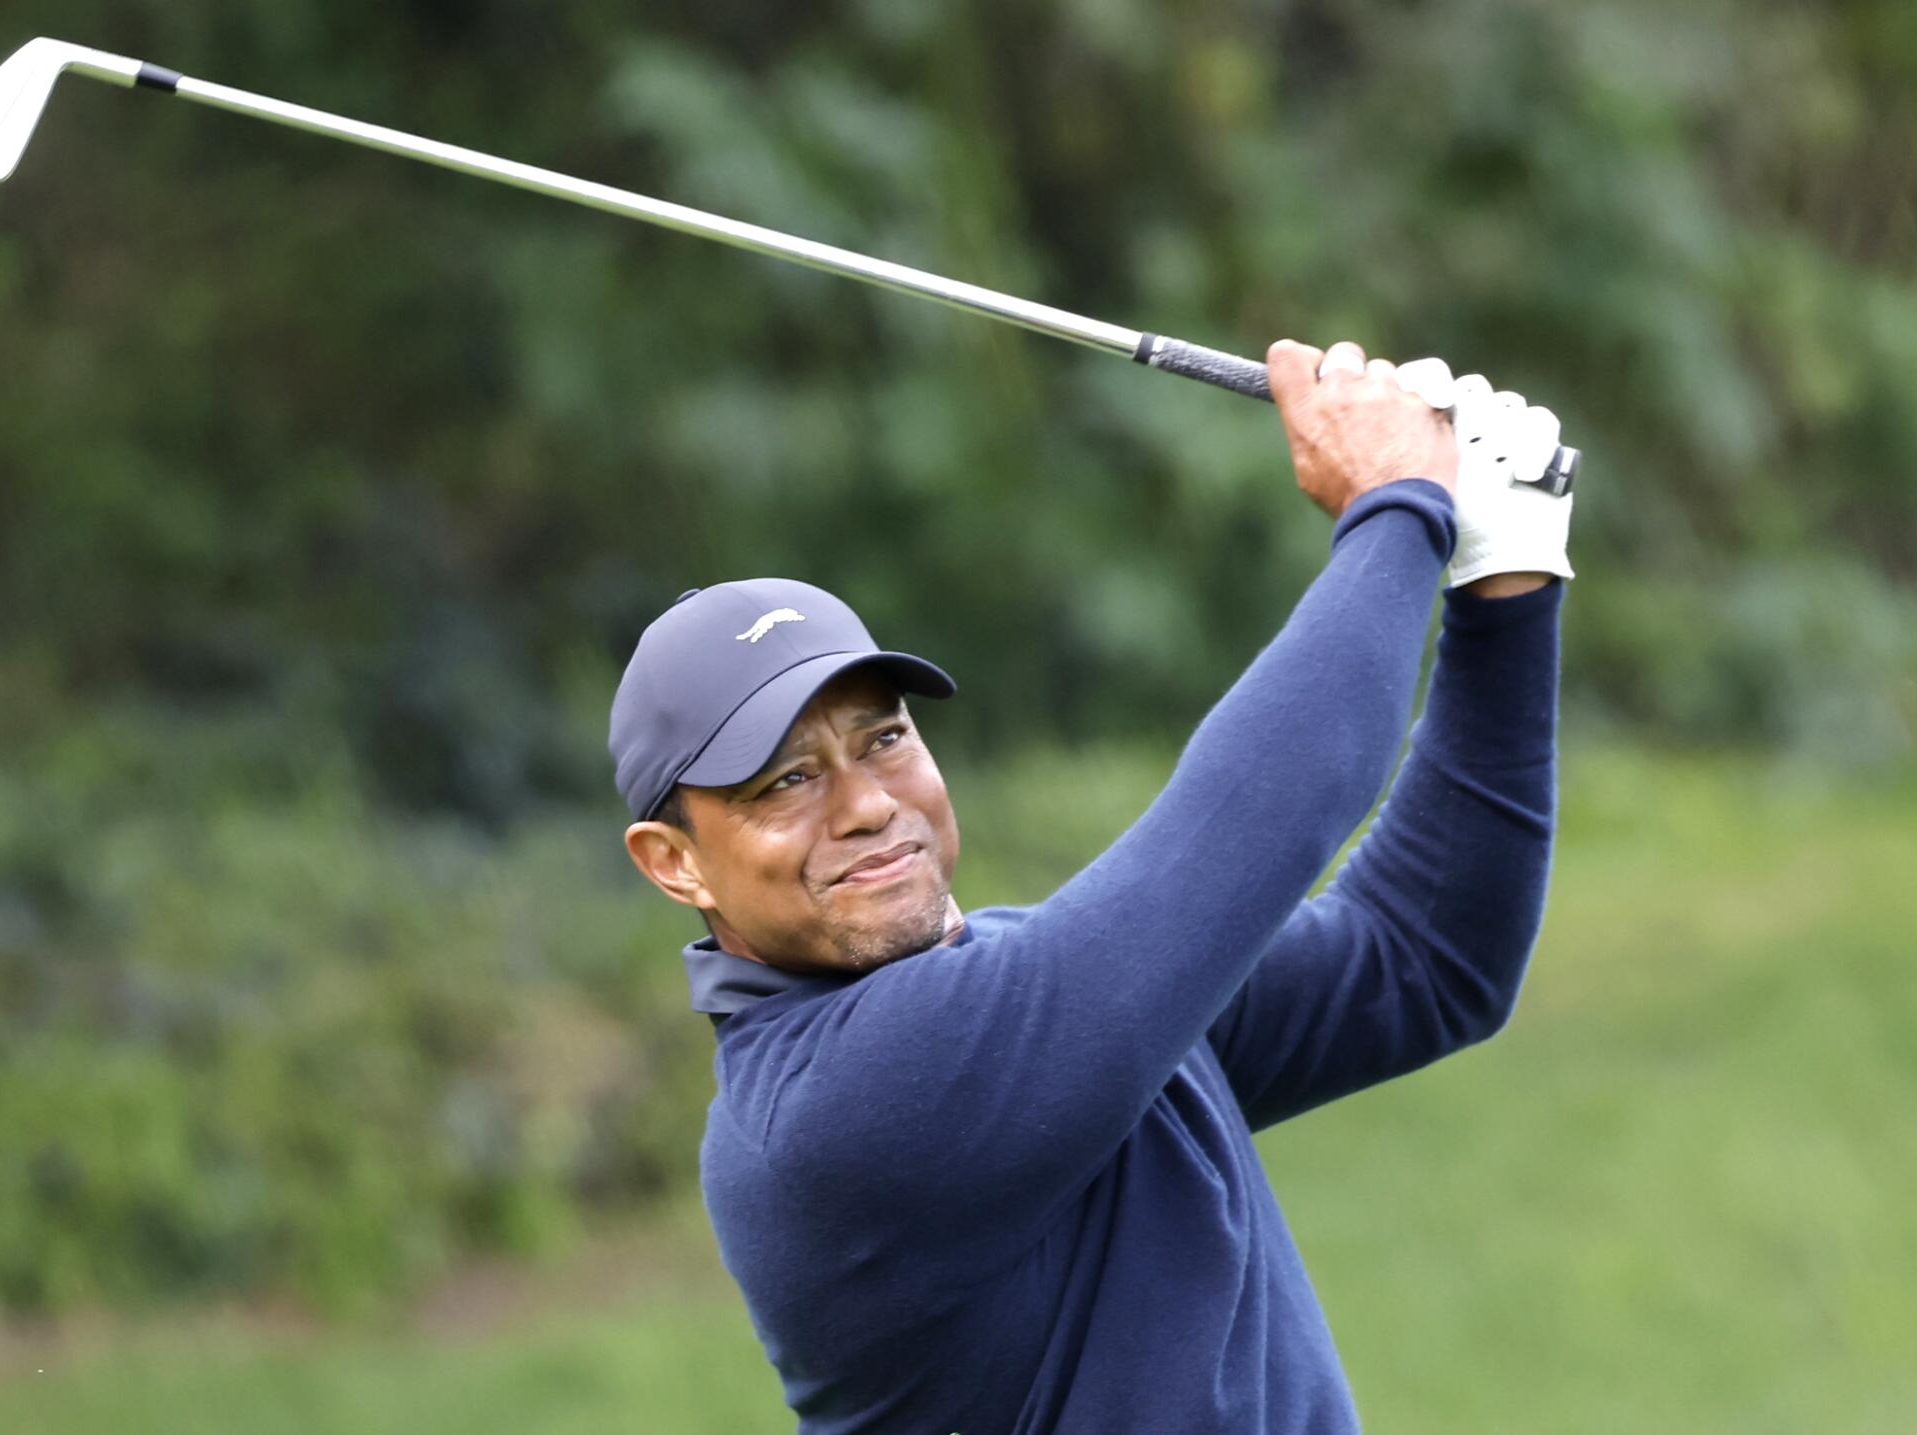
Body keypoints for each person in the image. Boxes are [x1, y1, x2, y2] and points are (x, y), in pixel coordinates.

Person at [608, 337, 1573, 1434]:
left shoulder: (1049, 1004)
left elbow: (1423, 959)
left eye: (881, 739)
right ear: (673, 859)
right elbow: (1264, 811)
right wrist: (1399, 508)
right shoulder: (841, 1111)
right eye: (786, 779)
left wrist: (1504, 586)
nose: (867, 802)